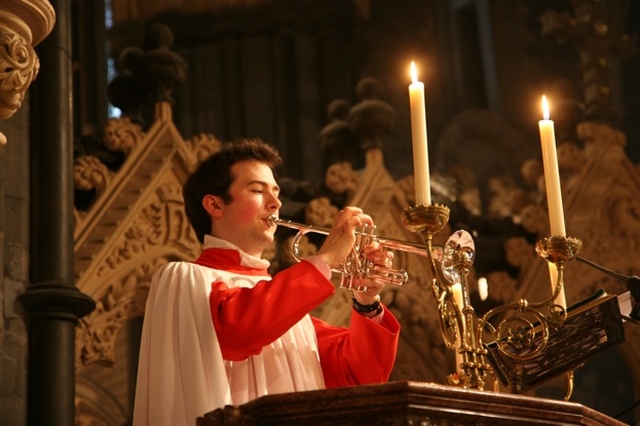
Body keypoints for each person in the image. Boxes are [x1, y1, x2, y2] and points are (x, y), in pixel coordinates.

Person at [132, 138, 401, 426]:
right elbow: (239, 329)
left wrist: (367, 300)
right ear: (215, 205)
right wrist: (327, 258)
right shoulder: (184, 278)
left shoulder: (291, 312)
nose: (276, 203)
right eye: (257, 191)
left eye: (276, 192)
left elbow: (358, 378)